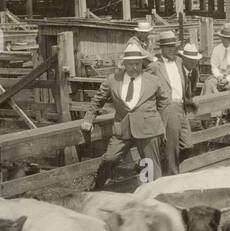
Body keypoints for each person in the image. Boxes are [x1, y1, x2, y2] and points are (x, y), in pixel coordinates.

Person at [81, 38, 168, 188]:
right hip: (122, 129)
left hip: (148, 129)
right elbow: (97, 100)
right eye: (131, 64)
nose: (135, 67)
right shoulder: (113, 80)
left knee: (152, 167)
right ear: (124, 64)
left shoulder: (153, 81)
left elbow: (164, 102)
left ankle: (156, 197)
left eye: (138, 64)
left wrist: (161, 125)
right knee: (109, 159)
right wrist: (89, 119)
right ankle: (97, 188)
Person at [152, 31, 197, 175]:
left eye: (174, 46)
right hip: (168, 107)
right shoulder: (155, 66)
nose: (172, 49)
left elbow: (191, 72)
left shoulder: (179, 61)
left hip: (181, 107)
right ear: (162, 49)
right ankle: (172, 177)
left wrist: (189, 99)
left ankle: (166, 168)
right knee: (172, 148)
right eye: (169, 47)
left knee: (188, 146)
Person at [202, 25, 230, 95]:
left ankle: (228, 105)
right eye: (223, 38)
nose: (225, 40)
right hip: (219, 76)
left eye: (228, 38)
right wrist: (219, 76)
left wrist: (227, 79)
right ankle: (208, 104)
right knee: (209, 83)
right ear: (220, 37)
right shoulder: (216, 49)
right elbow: (214, 66)